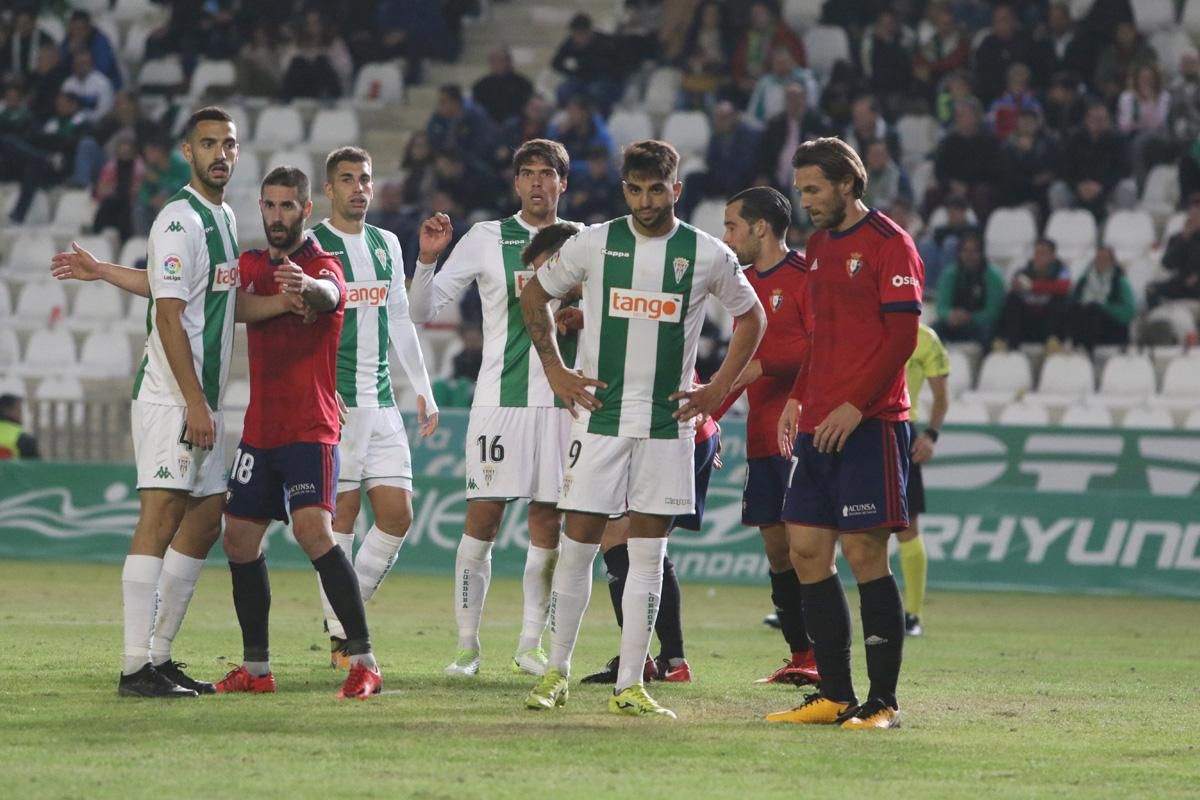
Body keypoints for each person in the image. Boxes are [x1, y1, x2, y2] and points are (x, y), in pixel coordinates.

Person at [49, 107, 300, 698]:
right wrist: (193, 401)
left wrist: (103, 271)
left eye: (229, 144)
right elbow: (167, 313)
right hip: (172, 398)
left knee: (207, 518)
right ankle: (135, 666)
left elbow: (205, 299)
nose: (220, 153)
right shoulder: (179, 219)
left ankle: (159, 656)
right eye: (208, 143)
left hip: (199, 401)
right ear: (188, 153)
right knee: (160, 517)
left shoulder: (224, 216)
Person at [518, 139, 766, 718]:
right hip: (600, 419)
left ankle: (631, 683)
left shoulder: (706, 254)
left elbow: (752, 316)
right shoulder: (594, 243)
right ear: (623, 188)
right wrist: (555, 369)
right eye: (635, 189)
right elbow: (534, 294)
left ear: (676, 189)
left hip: (666, 425)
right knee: (577, 549)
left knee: (647, 557)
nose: (646, 200)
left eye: (657, 189)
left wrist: (716, 390)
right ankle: (555, 673)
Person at [408, 140, 577, 678]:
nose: (535, 183)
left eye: (546, 174)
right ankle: (466, 646)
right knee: (482, 519)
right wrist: (428, 259)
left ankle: (530, 645)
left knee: (547, 520)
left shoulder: (584, 244)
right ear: (515, 183)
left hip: (560, 403)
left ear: (562, 184)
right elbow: (422, 310)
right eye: (526, 173)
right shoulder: (486, 238)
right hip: (497, 404)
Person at [771, 136, 924, 730]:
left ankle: (883, 703)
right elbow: (821, 337)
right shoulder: (817, 245)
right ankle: (834, 694)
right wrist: (798, 398)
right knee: (806, 551)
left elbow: (902, 339)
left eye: (813, 188)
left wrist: (855, 407)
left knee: (864, 552)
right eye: (801, 187)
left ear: (847, 185)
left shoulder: (891, 245)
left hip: (871, 424)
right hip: (816, 425)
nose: (804, 199)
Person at [213, 166, 382, 700]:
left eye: (288, 206)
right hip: (260, 430)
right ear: (260, 208)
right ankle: (257, 670)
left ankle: (364, 661)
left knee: (315, 533)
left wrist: (304, 288)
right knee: (238, 541)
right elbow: (228, 306)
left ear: (306, 210)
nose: (278, 215)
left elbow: (331, 295)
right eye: (270, 206)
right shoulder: (252, 265)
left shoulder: (321, 263)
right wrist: (281, 302)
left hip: (311, 428)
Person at [306, 146, 439, 669]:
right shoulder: (313, 244)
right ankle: (343, 637)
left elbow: (402, 321)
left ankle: (342, 615)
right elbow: (300, 327)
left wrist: (422, 389)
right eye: (347, 179)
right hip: (335, 405)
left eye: (364, 178)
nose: (358, 187)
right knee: (342, 515)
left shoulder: (386, 244)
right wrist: (316, 388)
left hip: (381, 402)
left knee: (398, 515)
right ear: (329, 190)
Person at [714, 186, 818, 686]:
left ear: (760, 227)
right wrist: (710, 415)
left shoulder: (804, 278)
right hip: (760, 435)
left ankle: (825, 658)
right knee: (777, 552)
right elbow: (739, 366)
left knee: (806, 550)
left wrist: (764, 366)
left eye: (732, 225)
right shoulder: (743, 287)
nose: (725, 236)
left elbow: (821, 351)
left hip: (799, 432)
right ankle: (800, 656)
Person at [897, 324, 950, 638]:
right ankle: (804, 611)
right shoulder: (861, 324)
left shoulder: (923, 338)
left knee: (907, 525)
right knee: (826, 524)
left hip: (902, 429)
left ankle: (912, 615)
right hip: (854, 427)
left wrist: (930, 435)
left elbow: (941, 397)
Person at [997, 238, 1072, 351]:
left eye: (1043, 253)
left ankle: (1053, 341)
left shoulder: (1062, 271)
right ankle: (1009, 342)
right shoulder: (1023, 272)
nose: (1039, 257)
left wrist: (1033, 286)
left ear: (1052, 256)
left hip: (1048, 322)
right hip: (1028, 321)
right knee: (1011, 300)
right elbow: (1015, 287)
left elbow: (1064, 287)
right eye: (1037, 253)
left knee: (1060, 300)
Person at [934, 231, 1005, 348]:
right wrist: (950, 315)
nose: (969, 256)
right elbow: (941, 307)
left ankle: (986, 363)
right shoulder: (950, 274)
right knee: (934, 329)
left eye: (974, 251)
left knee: (987, 330)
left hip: (979, 325)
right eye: (965, 251)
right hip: (955, 324)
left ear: (981, 253)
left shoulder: (993, 276)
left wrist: (970, 317)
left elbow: (993, 312)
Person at [1067, 246, 1134, 352]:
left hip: (1111, 328)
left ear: (1112, 262)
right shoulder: (1084, 279)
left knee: (1093, 309)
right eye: (1098, 259)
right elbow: (1072, 300)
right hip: (1084, 322)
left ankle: (1088, 352)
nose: (1101, 262)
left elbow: (1128, 312)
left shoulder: (1120, 282)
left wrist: (1105, 307)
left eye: (1105, 259)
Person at [0, 393, 39, 459]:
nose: (21, 415)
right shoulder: (24, 439)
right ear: (7, 411)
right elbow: (37, 467)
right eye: (19, 410)